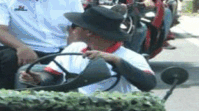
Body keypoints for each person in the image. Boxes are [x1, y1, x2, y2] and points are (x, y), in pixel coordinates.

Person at [19, 5, 156, 93]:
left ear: (88, 32)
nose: (72, 30)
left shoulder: (129, 57)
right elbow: (53, 75)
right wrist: (38, 79)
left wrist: (115, 61)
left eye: (75, 26)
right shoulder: (75, 48)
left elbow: (148, 83)